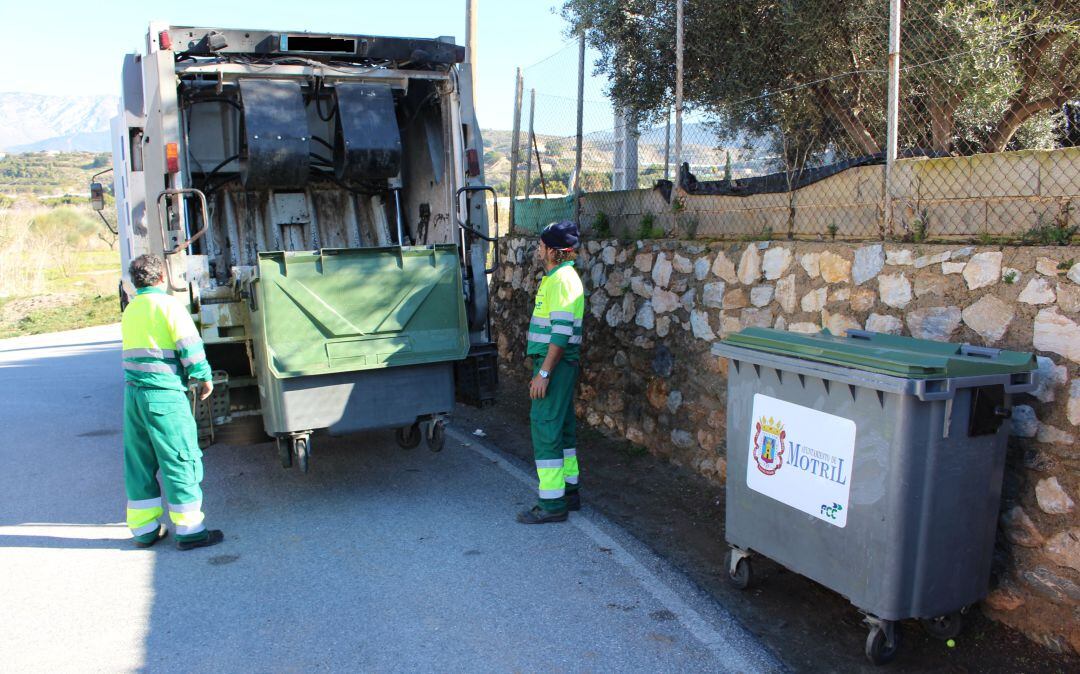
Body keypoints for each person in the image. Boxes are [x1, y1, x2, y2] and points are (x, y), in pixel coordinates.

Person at [121, 254, 224, 550]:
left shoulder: (131, 309)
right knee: (180, 458)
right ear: (162, 278)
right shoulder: (168, 306)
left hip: (133, 395)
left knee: (140, 462)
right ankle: (191, 530)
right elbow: (189, 347)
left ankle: (144, 530)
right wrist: (204, 376)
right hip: (163, 394)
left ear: (135, 282)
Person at [517, 220, 585, 524]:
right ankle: (569, 492)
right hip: (560, 365)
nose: (537, 248)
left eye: (541, 244)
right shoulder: (561, 277)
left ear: (551, 251)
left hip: (553, 365)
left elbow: (560, 334)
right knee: (563, 428)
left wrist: (543, 374)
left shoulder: (561, 281)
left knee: (545, 426)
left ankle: (551, 504)